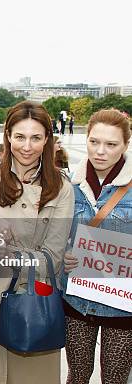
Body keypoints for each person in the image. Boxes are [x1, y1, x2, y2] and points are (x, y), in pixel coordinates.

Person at [0, 100, 74, 384]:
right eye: (20, 136)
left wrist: (4, 252)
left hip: (35, 302)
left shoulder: (61, 189)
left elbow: (53, 259)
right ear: (7, 135)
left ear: (48, 140)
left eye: (36, 138)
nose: (27, 146)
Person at [61, 109, 132, 384]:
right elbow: (57, 236)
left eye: (111, 144)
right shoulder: (69, 185)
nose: (100, 151)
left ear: (125, 145)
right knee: (77, 376)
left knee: (114, 378)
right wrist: (64, 255)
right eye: (94, 142)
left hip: (121, 303)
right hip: (77, 299)